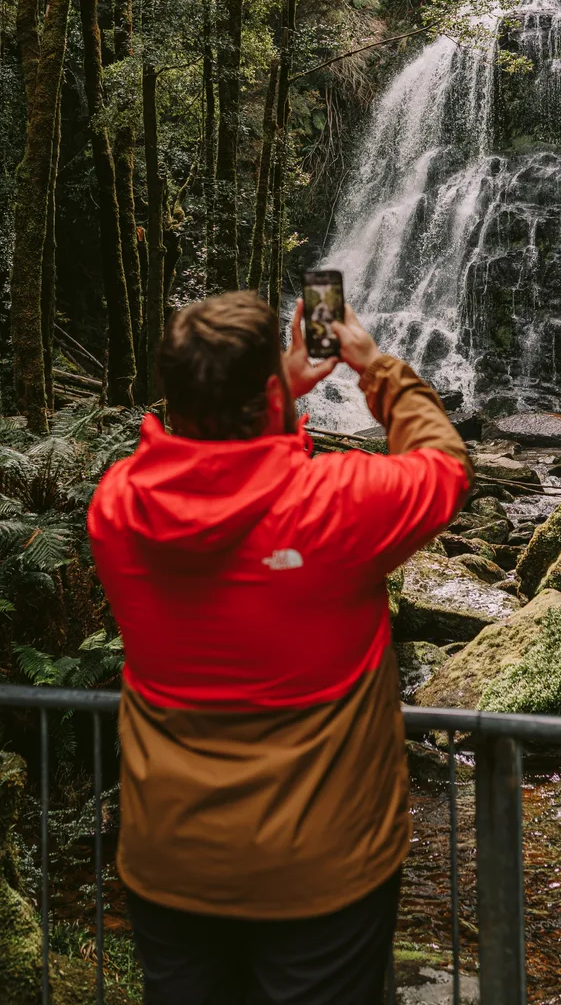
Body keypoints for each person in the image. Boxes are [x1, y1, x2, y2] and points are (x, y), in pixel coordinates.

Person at [87, 291, 472, 1005]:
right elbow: (443, 464)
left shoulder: (117, 505)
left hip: (171, 863)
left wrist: (265, 397)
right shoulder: (339, 503)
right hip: (321, 874)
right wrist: (370, 365)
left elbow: (215, 482)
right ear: (266, 391)